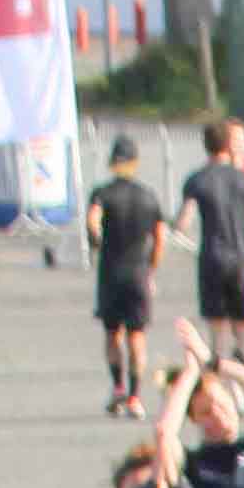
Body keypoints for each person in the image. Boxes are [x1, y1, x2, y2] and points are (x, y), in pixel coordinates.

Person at [83, 137, 164, 416]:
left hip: (112, 273)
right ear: (135, 163)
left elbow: (93, 221)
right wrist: (151, 268)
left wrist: (96, 239)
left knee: (112, 333)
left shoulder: (102, 193)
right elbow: (159, 238)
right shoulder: (149, 196)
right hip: (138, 272)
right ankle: (135, 396)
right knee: (137, 336)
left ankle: (117, 386)